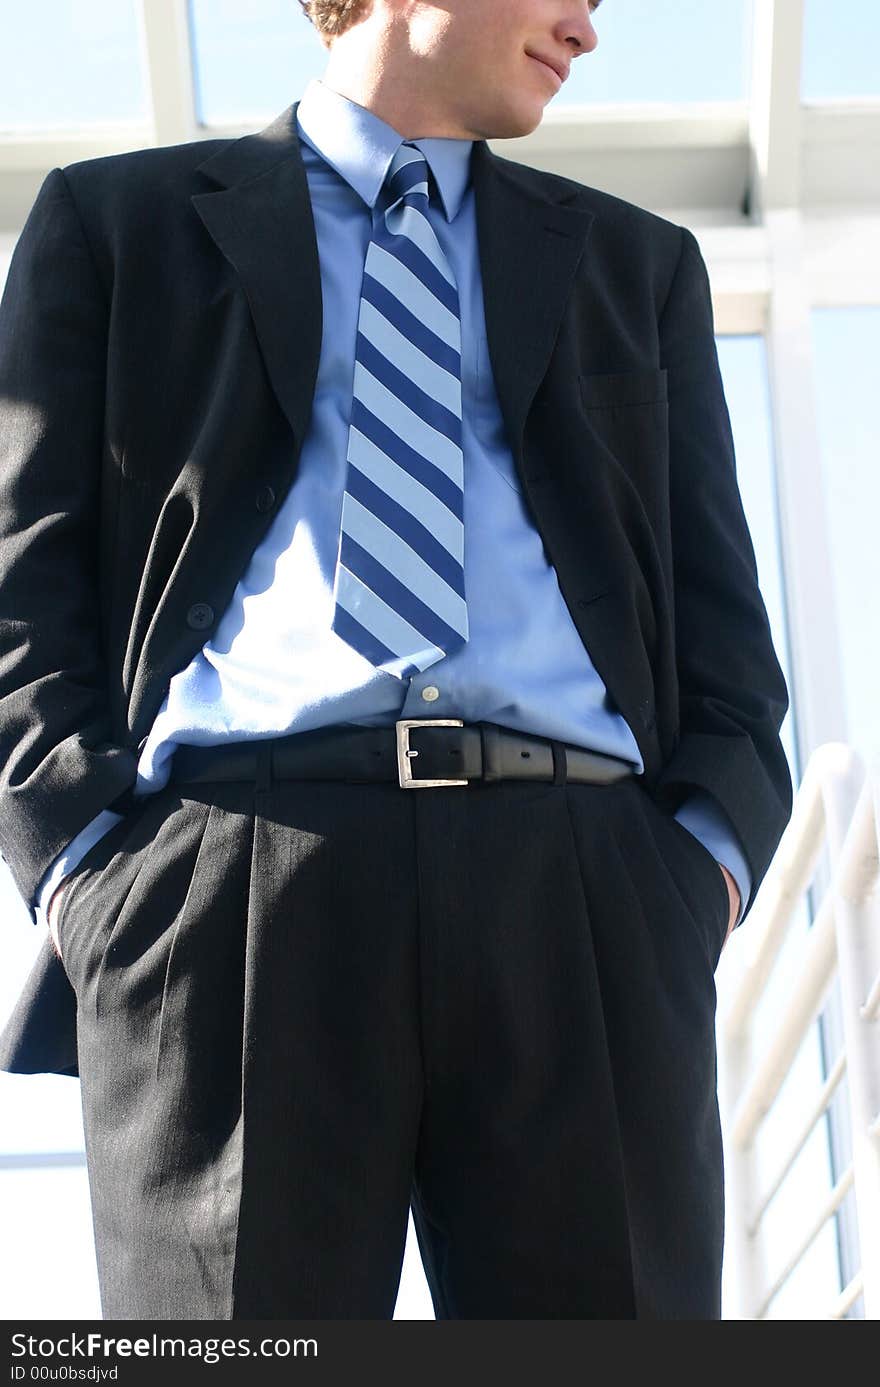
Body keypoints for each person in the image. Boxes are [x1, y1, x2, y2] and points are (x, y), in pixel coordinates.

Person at [0, 0, 791, 1319]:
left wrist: (691, 873)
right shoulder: (110, 228)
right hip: (227, 892)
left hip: (585, 898)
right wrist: (94, 876)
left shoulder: (634, 267)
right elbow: (21, 599)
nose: (590, 30)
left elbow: (723, 641)